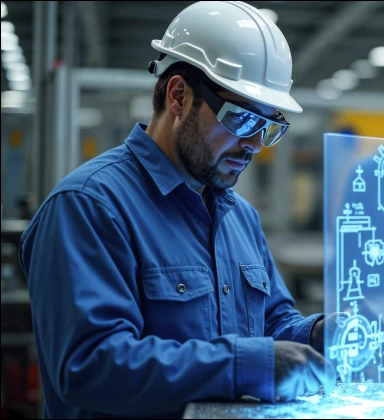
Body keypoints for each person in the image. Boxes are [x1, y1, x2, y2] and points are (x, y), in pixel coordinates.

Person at [18, 2, 340, 418]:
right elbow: (90, 363)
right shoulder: (89, 207)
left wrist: (315, 334)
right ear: (178, 96)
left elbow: (271, 323)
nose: (256, 145)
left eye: (268, 127)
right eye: (242, 120)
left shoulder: (239, 216)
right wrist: (243, 365)